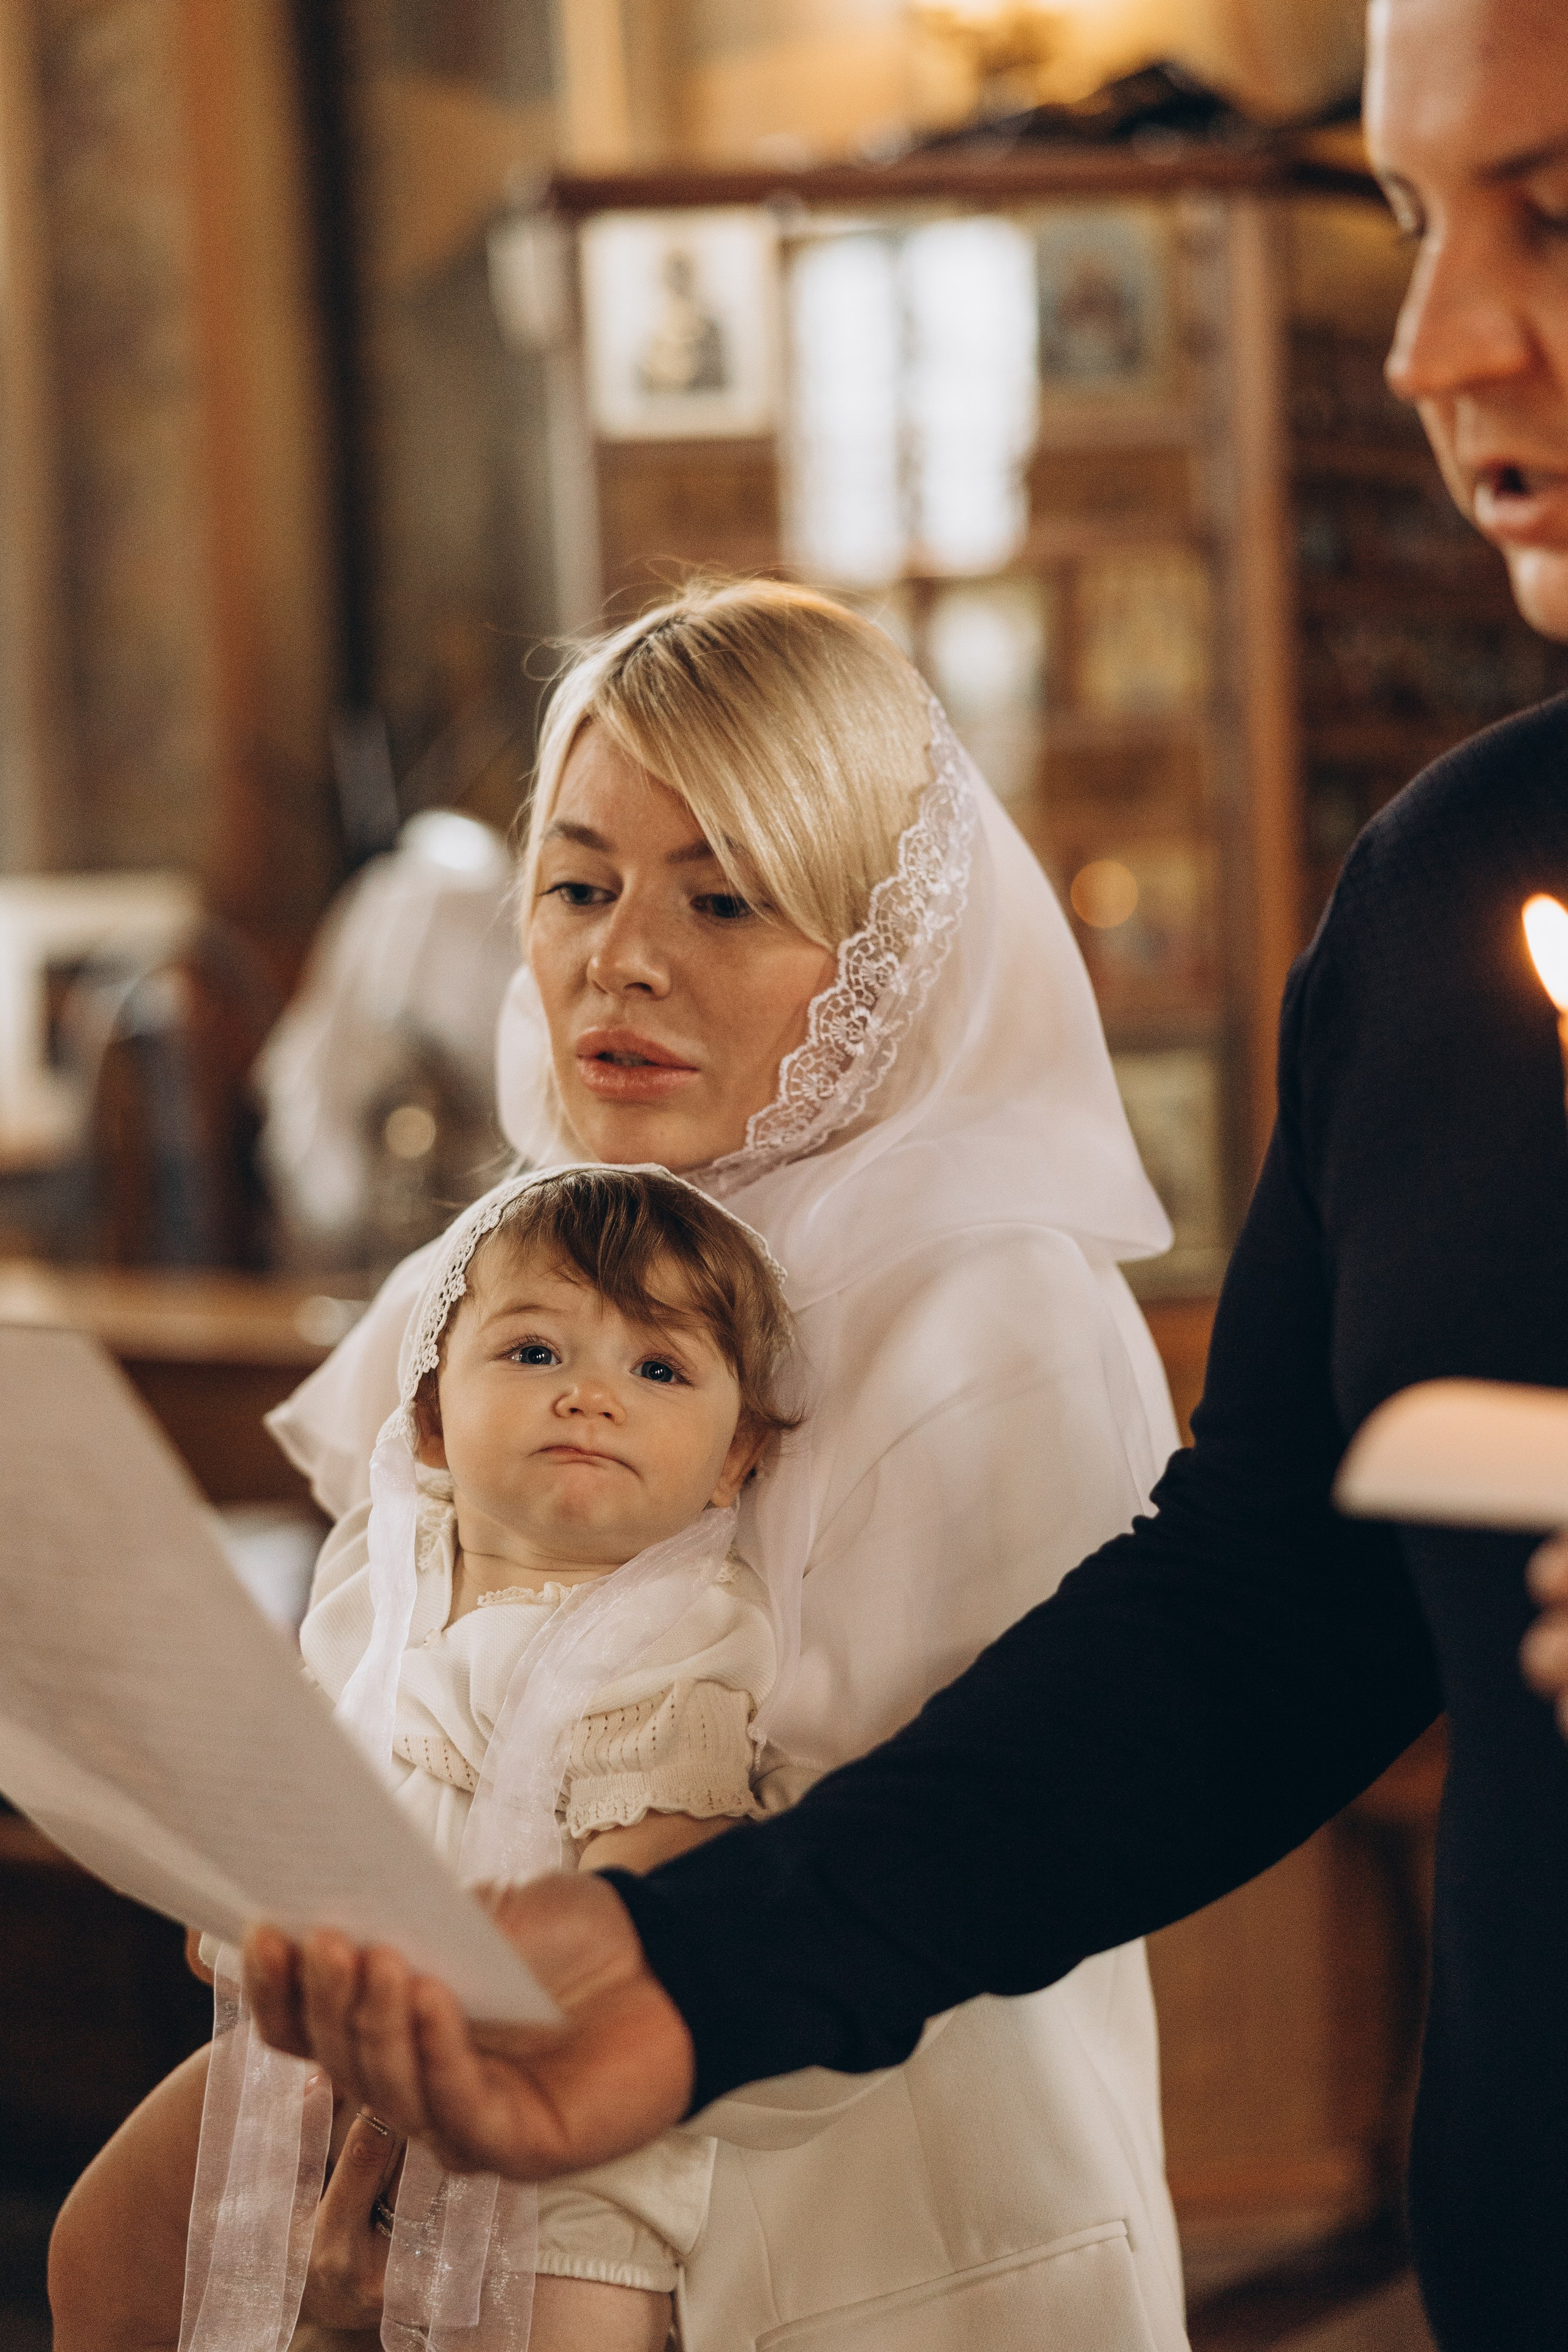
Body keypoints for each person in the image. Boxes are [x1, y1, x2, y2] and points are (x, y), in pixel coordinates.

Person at [241, 6, 1568, 2348]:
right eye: (1409, 222)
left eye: (1551, 215)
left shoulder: (982, 1312)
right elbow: (1268, 1608)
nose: (1434, 347)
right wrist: (684, 1971)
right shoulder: (1464, 898)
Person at [225, 578, 1191, 2348]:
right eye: (579, 883)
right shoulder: (511, 1260)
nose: (623, 958)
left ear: (877, 956)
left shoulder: (989, 1306)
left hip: (871, 2202)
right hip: (474, 2062)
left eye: (724, 898)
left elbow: (954, 1858)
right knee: (122, 2260)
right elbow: (375, 1656)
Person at [51, 1165, 795, 2352]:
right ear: (435, 1413)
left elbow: (655, 1890)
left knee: (565, 2324)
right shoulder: (376, 1570)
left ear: (734, 1458)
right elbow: (281, 1767)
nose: (590, 1398)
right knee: (96, 2252)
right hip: (307, 2053)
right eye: (534, 1353)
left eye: (656, 1369)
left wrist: (529, 1974)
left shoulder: (681, 1633)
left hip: (557, 2115)